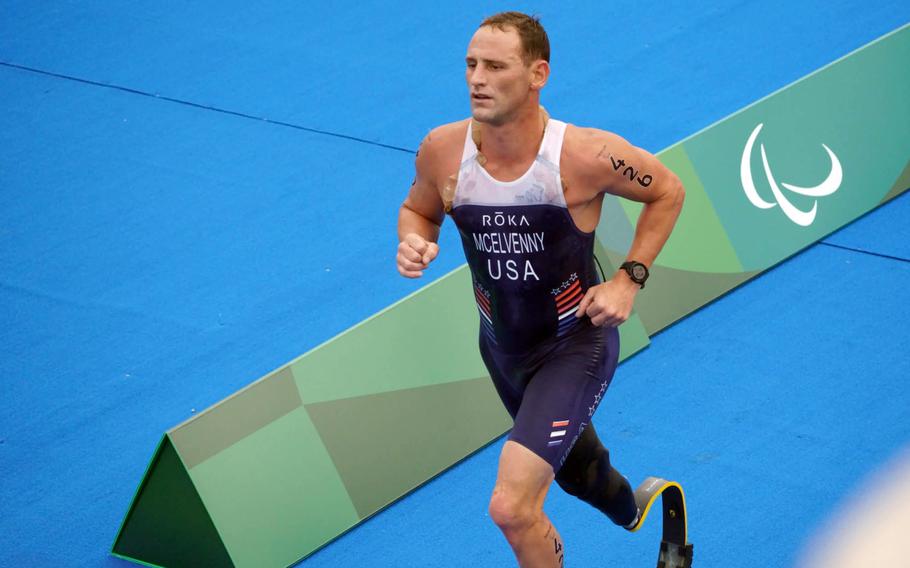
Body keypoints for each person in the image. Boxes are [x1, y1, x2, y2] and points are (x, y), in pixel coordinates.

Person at [396, 11, 686, 568]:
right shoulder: (442, 150)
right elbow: (417, 210)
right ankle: (638, 505)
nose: (477, 79)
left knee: (512, 506)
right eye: (471, 64)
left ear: (537, 74)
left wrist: (629, 279)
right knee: (582, 478)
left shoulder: (584, 156)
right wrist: (413, 240)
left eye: (496, 66)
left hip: (574, 345)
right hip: (502, 351)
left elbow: (667, 191)